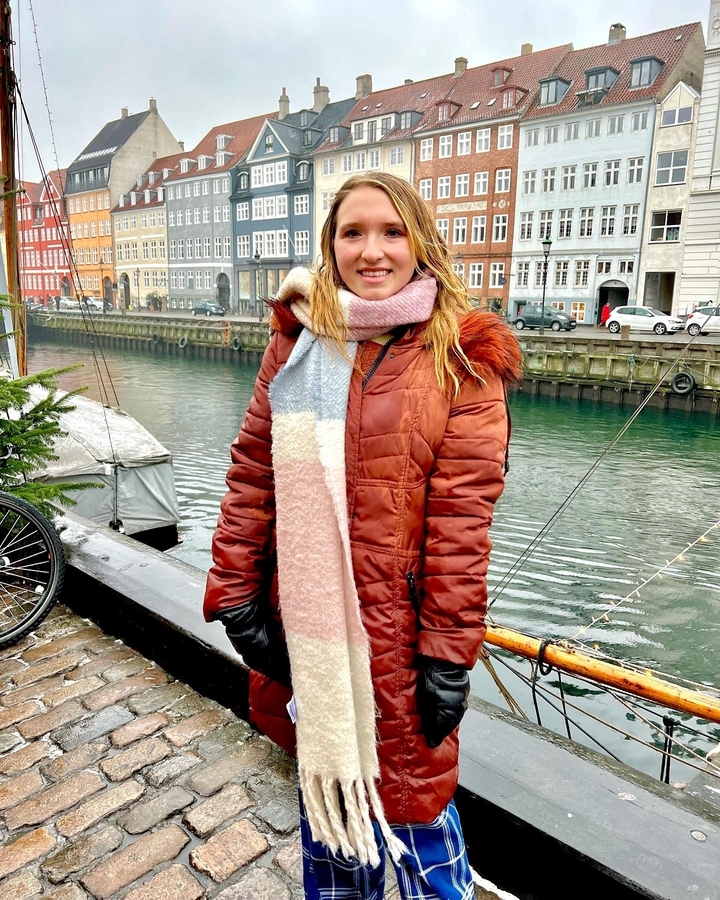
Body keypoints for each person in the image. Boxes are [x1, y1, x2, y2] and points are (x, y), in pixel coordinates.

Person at [203, 172, 522, 900]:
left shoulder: (463, 358)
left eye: (390, 231)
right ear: (331, 246)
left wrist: (448, 654)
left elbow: (462, 524)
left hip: (401, 646)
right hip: (309, 632)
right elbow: (253, 471)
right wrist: (234, 589)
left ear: (419, 242)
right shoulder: (298, 342)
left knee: (418, 829)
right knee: (330, 820)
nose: (372, 250)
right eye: (353, 232)